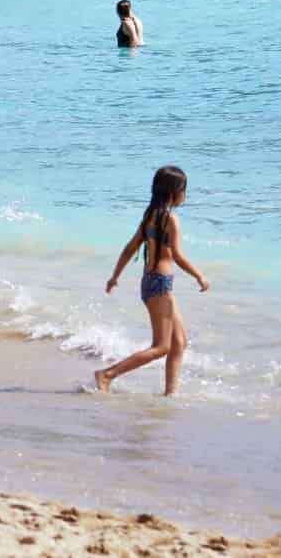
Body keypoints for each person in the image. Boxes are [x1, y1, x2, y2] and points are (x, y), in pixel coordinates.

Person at [94, 167, 210, 396]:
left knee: (179, 341)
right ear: (174, 192)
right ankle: (107, 375)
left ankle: (170, 394)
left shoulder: (150, 215)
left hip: (149, 283)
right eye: (184, 190)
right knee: (162, 347)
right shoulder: (171, 220)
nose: (185, 195)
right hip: (161, 285)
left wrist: (114, 277)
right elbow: (176, 255)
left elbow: (130, 248)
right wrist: (199, 275)